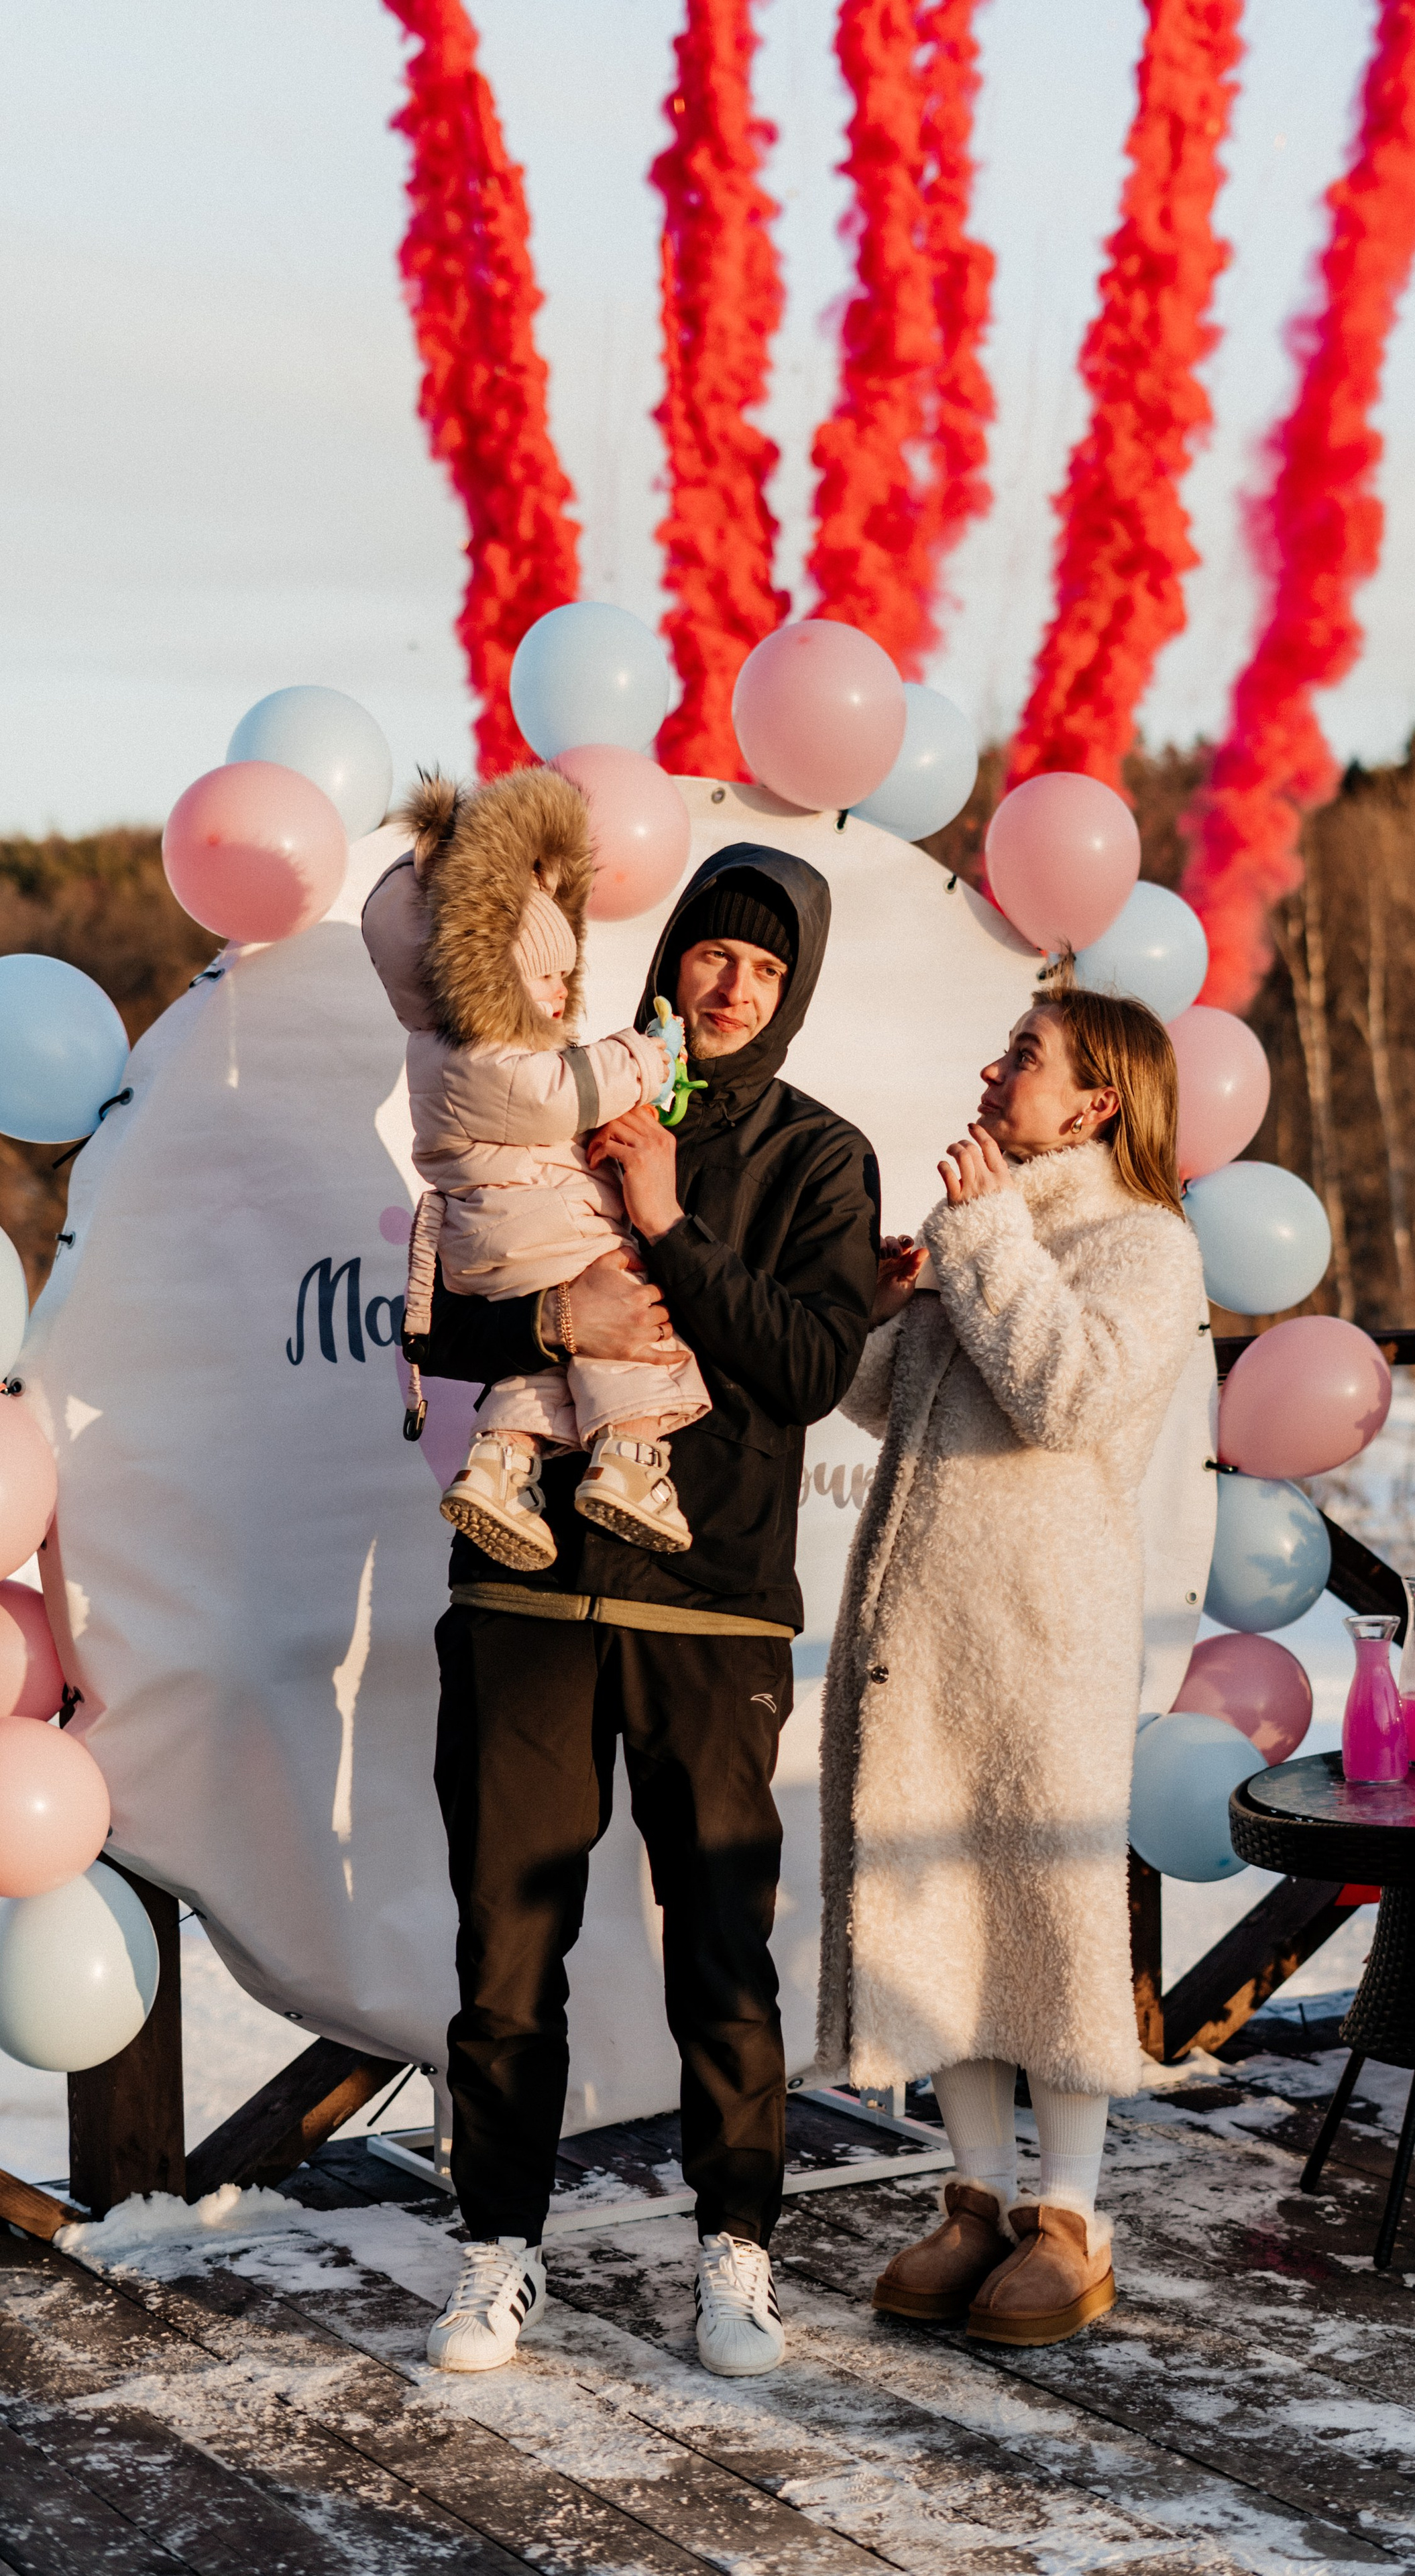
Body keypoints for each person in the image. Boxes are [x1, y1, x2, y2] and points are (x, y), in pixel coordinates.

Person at [402, 840, 879, 2380]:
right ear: (668, 954)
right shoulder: (558, 1093)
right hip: (525, 1585)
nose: (733, 983)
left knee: (723, 1954)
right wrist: (561, 1312)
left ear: (793, 991)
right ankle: (495, 2251)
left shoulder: (821, 1157)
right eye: (713, 951)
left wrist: (669, 1225)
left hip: (713, 1610)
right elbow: (449, 1308)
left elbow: (809, 1368)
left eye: (767, 965)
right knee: (505, 1944)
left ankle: (734, 2251)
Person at [817, 979, 1209, 2351]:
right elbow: (888, 1404)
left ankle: (1073, 2217)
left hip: (1042, 1638)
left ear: (1094, 1100)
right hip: (923, 1627)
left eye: (1023, 1057)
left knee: (1042, 1918)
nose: (992, 1071)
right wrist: (876, 1308)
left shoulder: (1142, 1244)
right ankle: (975, 2200)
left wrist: (980, 1237)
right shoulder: (988, 1230)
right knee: (946, 1920)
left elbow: (1064, 1392)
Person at [363, 768, 709, 1566]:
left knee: (551, 1364)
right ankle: (630, 1461)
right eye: (542, 977)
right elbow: (565, 1094)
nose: (559, 994)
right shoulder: (483, 1054)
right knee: (634, 1328)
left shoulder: (449, 1050)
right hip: (538, 1228)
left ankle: (499, 1464)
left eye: (564, 974)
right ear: (486, 981)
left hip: (502, 1244)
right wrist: (646, 1059)